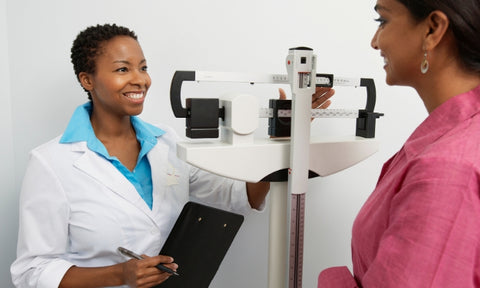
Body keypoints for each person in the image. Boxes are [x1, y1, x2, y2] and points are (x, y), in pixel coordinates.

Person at [10, 24, 334, 288]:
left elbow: (239, 195)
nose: (140, 79)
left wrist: (284, 135)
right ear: (87, 79)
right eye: (123, 69)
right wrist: (120, 274)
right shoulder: (52, 163)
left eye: (143, 67)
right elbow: (32, 271)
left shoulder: (165, 142)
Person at [318, 0, 480, 287]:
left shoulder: (446, 170)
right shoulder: (456, 134)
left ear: (432, 29)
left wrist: (332, 280)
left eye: (382, 22)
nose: (374, 42)